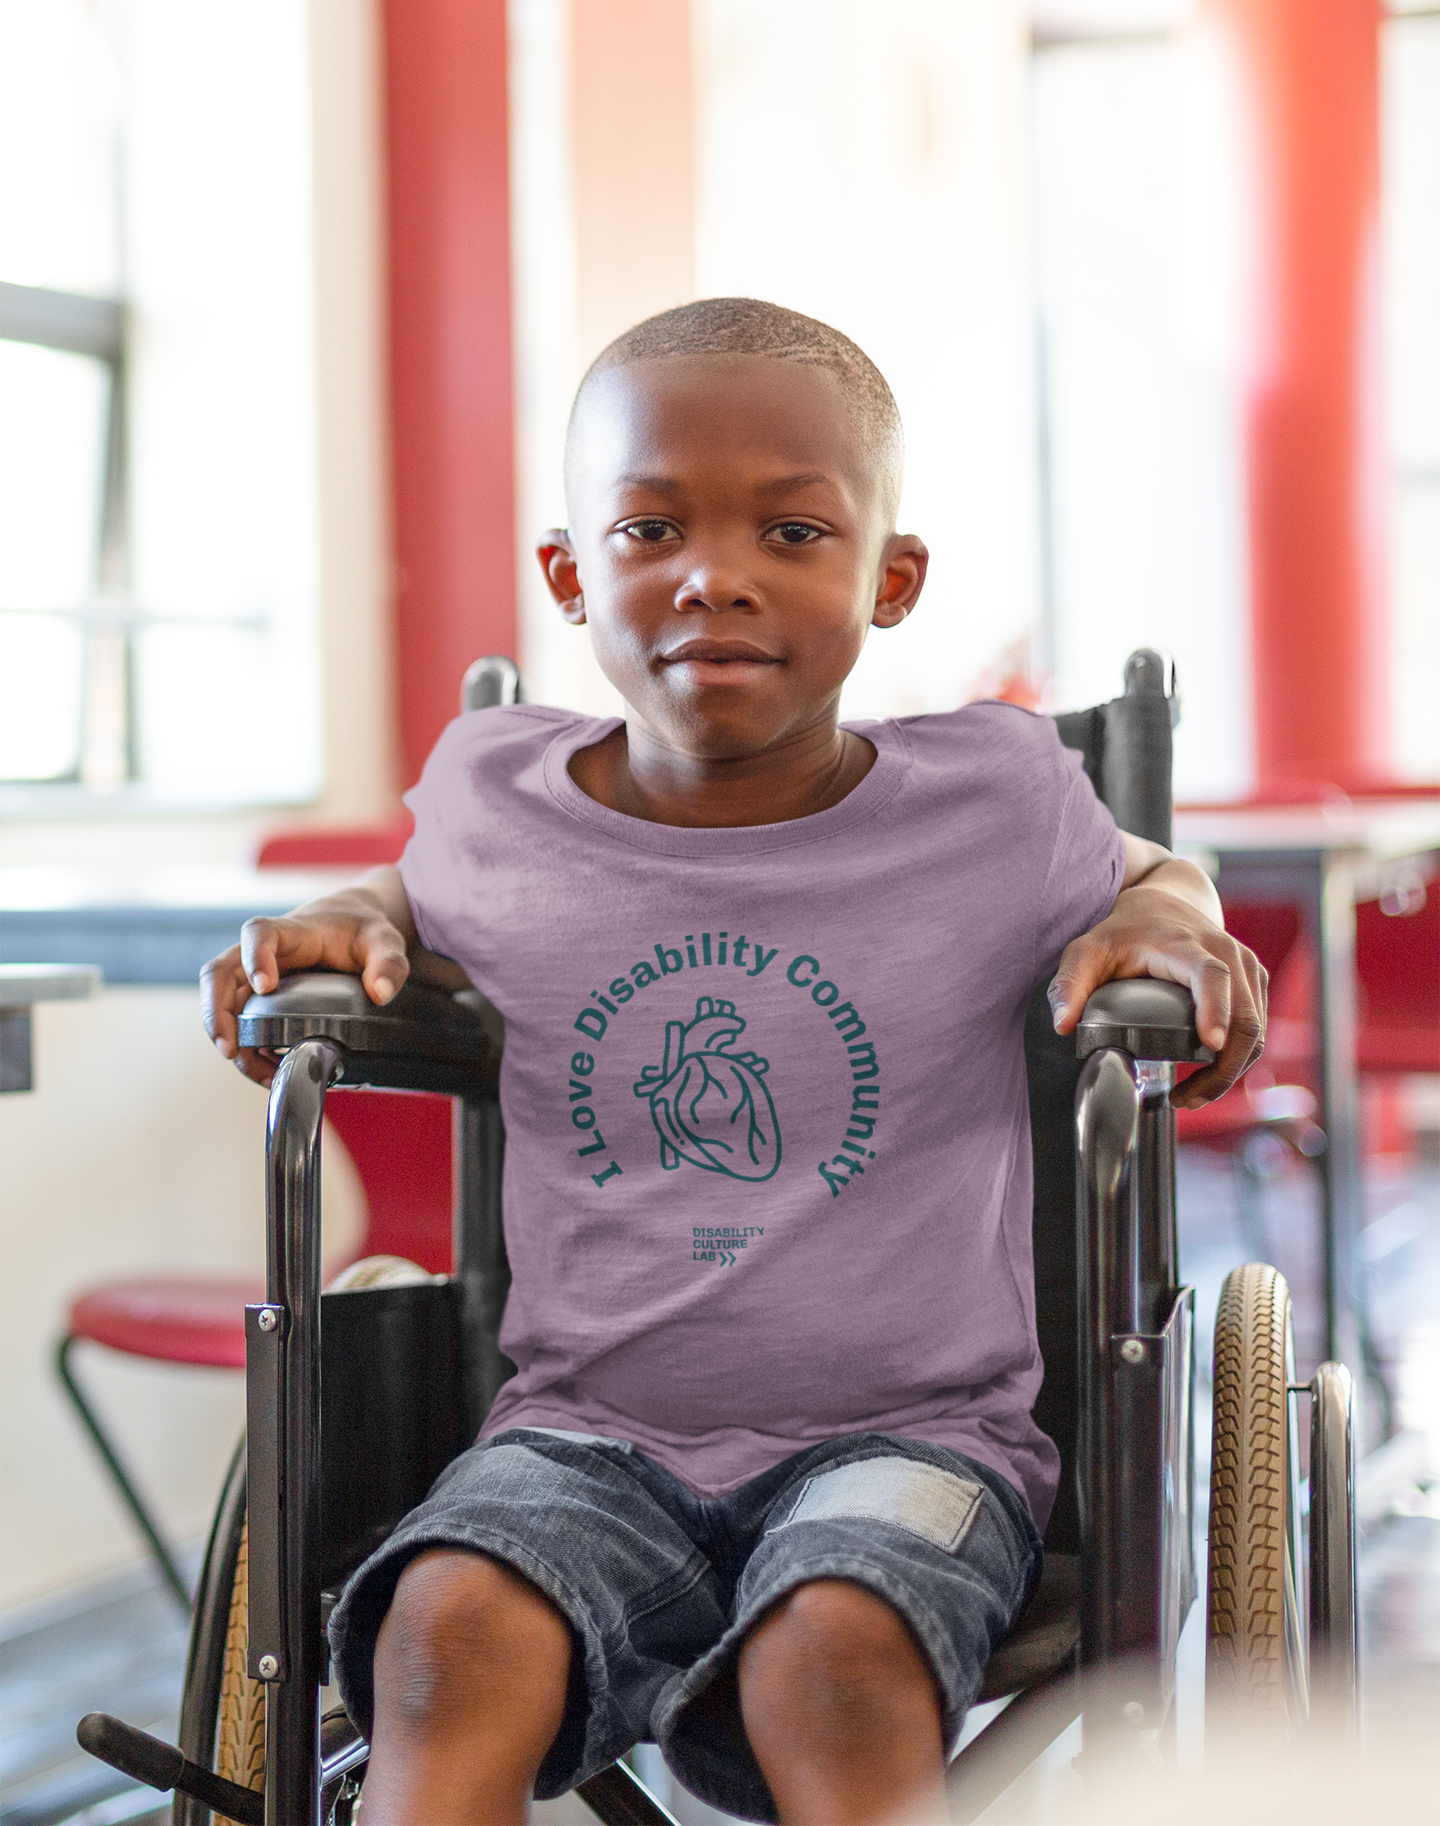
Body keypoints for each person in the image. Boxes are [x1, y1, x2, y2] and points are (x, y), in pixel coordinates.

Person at [203, 299, 1265, 1826]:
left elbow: (1161, 873)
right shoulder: (495, 799)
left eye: (793, 530)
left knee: (831, 1653)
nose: (715, 574)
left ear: (889, 579)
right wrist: (339, 919)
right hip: (581, 1428)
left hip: (917, 1434)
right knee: (443, 1636)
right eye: (649, 528)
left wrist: (1171, 920)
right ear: (573, 575)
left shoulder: (996, 801)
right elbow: (406, 902)